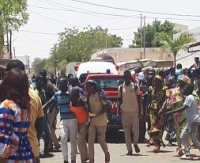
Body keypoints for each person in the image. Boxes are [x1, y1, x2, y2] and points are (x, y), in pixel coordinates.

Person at [6, 59, 44, 163]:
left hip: (8, 155)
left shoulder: (5, 98)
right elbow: (40, 124)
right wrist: (34, 140)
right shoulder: (34, 96)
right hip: (31, 151)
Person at [0, 68, 35, 162]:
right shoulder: (26, 106)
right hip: (26, 155)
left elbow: (3, 144)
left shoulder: (7, 106)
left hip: (12, 158)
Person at [43, 76, 78, 163]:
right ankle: (65, 159)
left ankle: (73, 159)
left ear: (66, 84)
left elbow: (78, 102)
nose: (59, 85)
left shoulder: (71, 93)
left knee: (73, 139)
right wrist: (41, 108)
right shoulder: (57, 94)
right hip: (63, 120)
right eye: (59, 83)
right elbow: (50, 102)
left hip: (73, 119)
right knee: (63, 137)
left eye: (62, 83)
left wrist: (71, 92)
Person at [166, 84, 200, 159]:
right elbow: (190, 111)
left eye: (185, 88)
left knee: (194, 139)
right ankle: (187, 153)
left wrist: (171, 112)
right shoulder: (192, 98)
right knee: (182, 136)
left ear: (189, 90)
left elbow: (183, 108)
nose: (183, 90)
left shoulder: (189, 98)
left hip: (193, 122)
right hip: (190, 121)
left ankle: (188, 153)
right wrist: (182, 120)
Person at [85, 80, 111, 163]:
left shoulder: (100, 95)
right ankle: (91, 159)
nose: (86, 88)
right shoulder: (89, 95)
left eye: (88, 87)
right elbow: (88, 106)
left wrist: (96, 114)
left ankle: (107, 153)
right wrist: (89, 114)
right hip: (92, 121)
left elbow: (106, 107)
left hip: (101, 121)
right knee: (90, 140)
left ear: (93, 87)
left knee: (101, 140)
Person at [118, 70, 142, 155]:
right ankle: (129, 149)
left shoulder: (135, 86)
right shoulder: (121, 87)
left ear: (130, 77)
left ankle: (135, 143)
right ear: (124, 77)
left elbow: (139, 99)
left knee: (136, 131)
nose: (127, 78)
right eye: (125, 77)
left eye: (128, 76)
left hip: (134, 112)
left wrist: (141, 110)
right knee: (126, 132)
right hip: (125, 113)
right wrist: (118, 111)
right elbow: (119, 100)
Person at [39, 69, 61, 152]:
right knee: (48, 127)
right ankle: (50, 145)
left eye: (42, 76)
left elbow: (54, 98)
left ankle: (56, 144)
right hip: (45, 108)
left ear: (45, 76)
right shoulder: (42, 85)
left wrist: (52, 108)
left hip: (51, 108)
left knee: (49, 127)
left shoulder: (49, 85)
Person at [35, 74, 54, 158]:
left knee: (47, 134)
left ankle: (45, 151)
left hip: (44, 115)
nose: (41, 82)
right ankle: (37, 152)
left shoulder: (42, 91)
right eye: (39, 81)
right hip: (39, 116)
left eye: (42, 80)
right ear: (36, 82)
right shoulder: (36, 92)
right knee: (40, 134)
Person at [147, 75, 166, 152]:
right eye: (154, 81)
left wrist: (162, 109)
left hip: (160, 110)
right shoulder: (151, 89)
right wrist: (146, 109)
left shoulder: (164, 89)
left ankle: (158, 143)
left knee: (160, 127)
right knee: (154, 126)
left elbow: (166, 100)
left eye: (157, 81)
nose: (155, 83)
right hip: (152, 110)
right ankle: (156, 144)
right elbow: (149, 99)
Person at [70, 87, 89, 163]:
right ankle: (86, 156)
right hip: (78, 122)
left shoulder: (81, 101)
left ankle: (82, 160)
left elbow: (88, 110)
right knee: (82, 140)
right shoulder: (71, 101)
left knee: (80, 140)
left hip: (85, 121)